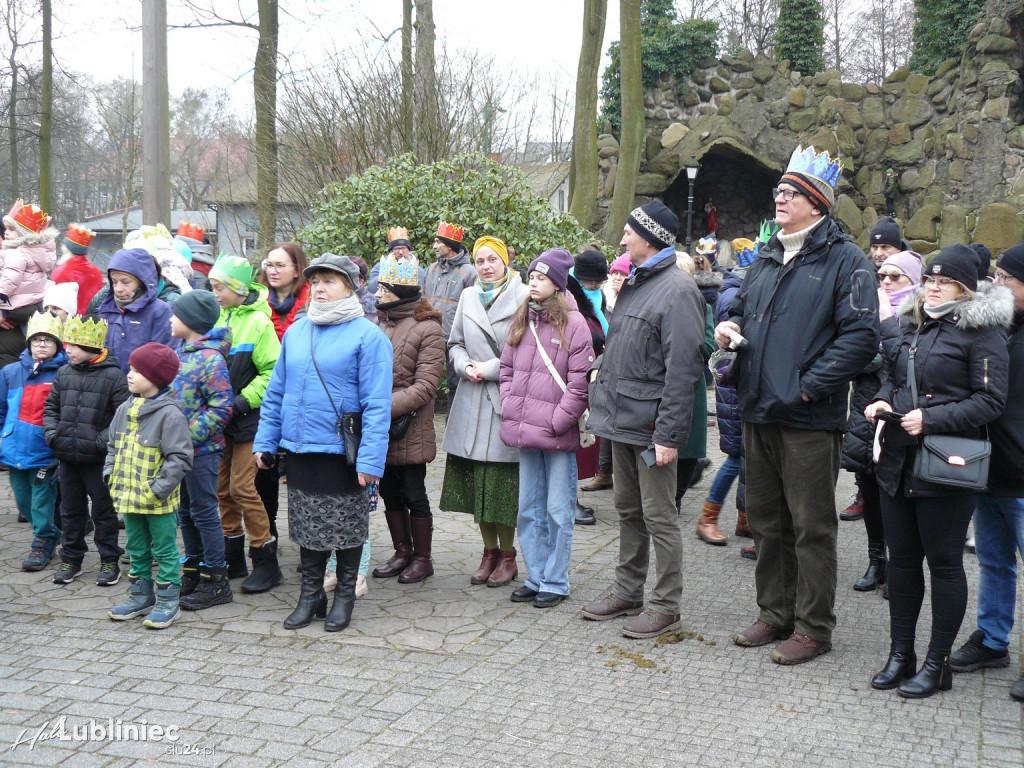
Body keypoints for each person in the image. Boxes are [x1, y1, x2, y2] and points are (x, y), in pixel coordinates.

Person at [716, 145, 879, 664]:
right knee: (765, 521)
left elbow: (860, 339)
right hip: (758, 408)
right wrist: (729, 326)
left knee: (811, 527)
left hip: (809, 417)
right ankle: (773, 614)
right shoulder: (766, 253)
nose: (779, 197)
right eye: (779, 190)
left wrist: (807, 387)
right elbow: (739, 306)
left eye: (789, 192)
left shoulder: (847, 261)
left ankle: (813, 628)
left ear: (817, 203)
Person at [866, 244, 1010, 698]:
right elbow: (893, 374)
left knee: (945, 565)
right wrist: (884, 399)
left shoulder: (982, 332)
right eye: (929, 279)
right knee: (903, 562)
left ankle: (937, 664)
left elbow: (990, 401)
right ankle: (900, 655)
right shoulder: (913, 323)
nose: (931, 287)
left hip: (946, 467)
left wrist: (932, 418)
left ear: (965, 291)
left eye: (943, 281)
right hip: (897, 459)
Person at [581, 200, 706, 640]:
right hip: (623, 421)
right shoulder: (637, 282)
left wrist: (670, 435)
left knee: (660, 516)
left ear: (650, 237)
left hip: (653, 428)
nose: (621, 239)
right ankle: (627, 591)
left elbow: (683, 370)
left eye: (629, 232)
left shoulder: (678, 291)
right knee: (628, 511)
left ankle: (666, 606)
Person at [254, 253, 392, 632]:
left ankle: (344, 595)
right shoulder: (298, 331)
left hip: (342, 453)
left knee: (347, 528)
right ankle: (311, 594)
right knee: (307, 526)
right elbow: (276, 391)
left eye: (329, 281)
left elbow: (378, 405)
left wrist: (371, 461)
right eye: (315, 281)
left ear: (351, 287)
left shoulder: (369, 336)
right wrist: (266, 441)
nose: (319, 288)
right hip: (299, 449)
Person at [949, 242, 1024, 702]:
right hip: (989, 469)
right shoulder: (996, 326)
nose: (996, 285)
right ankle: (993, 641)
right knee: (994, 562)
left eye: (1007, 279)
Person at [499, 249, 593, 607]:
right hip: (526, 431)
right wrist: (510, 404)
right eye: (532, 277)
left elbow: (580, 384)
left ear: (557, 282)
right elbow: (507, 369)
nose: (532, 283)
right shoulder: (522, 318)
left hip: (555, 435)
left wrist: (558, 421)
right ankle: (535, 576)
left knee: (557, 510)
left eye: (539, 278)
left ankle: (555, 580)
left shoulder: (576, 324)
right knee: (528, 509)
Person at [440, 236, 529, 587]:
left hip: (505, 397)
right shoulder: (467, 296)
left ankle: (508, 555)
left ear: (506, 261)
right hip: (471, 398)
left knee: (501, 486)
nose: (486, 266)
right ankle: (487, 551)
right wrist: (464, 366)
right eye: (480, 261)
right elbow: (455, 342)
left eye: (493, 259)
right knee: (478, 483)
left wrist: (489, 368)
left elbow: (526, 350)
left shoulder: (523, 296)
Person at [841, 251, 922, 592]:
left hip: (900, 421)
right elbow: (852, 358)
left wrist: (878, 342)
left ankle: (903, 566)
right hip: (864, 417)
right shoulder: (867, 313)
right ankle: (877, 562)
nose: (886, 282)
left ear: (913, 281)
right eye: (882, 276)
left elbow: (899, 362)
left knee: (902, 499)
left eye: (895, 277)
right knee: (870, 495)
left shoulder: (920, 317)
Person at [208, 253, 283, 594]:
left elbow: (272, 372)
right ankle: (232, 555)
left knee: (241, 487)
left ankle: (265, 558)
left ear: (239, 289)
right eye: (212, 287)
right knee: (221, 489)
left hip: (249, 418)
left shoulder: (259, 323)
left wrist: (241, 401)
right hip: (221, 418)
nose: (215, 293)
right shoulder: (217, 317)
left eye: (220, 287)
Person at [105, 343, 193, 629]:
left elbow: (179, 458)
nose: (129, 374)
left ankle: (168, 601)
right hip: (129, 497)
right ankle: (140, 596)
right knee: (136, 547)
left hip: (158, 500)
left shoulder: (170, 414)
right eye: (130, 368)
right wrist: (110, 474)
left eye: (137, 370)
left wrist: (157, 490)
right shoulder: (123, 409)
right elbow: (112, 446)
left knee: (165, 550)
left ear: (156, 378)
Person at [370, 254, 445, 584]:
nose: (376, 294)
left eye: (383, 289)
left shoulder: (428, 329)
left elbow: (426, 386)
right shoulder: (377, 325)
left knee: (414, 492)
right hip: (378, 430)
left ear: (400, 291)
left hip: (409, 428)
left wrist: (377, 407)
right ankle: (402, 551)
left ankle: (422, 558)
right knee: (389, 491)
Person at [44, 315, 128, 586]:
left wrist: (99, 443)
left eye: (75, 345)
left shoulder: (114, 376)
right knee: (70, 511)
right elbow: (51, 408)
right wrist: (53, 435)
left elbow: (121, 417)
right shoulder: (64, 372)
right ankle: (72, 558)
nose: (67, 350)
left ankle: (109, 559)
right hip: (67, 456)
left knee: (103, 512)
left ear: (91, 348)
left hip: (98, 460)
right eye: (67, 344)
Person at [170, 290, 235, 611]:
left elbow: (222, 408)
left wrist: (187, 436)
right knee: (185, 512)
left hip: (203, 452)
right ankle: (193, 570)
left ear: (192, 322)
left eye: (175, 314)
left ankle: (217, 580)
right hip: (179, 452)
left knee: (205, 513)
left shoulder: (211, 359)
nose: (170, 318)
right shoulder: (181, 352)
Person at [2, 311, 67, 571]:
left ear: (57, 346)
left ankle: (41, 541)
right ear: (28, 342)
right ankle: (50, 533)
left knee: (41, 501)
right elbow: (1, 409)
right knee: (24, 503)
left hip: (45, 451)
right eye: (37, 339)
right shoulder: (10, 372)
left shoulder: (64, 373)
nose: (42, 344)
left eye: (48, 340)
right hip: (14, 448)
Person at [256, 241, 311, 539]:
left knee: (299, 471)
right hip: (265, 395)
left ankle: (307, 536)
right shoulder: (256, 301)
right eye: (270, 265)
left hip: (300, 395)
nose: (273, 271)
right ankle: (269, 530)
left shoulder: (312, 301)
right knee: (264, 468)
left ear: (297, 270)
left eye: (280, 265)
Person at [584, 254, 632, 494]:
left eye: (623, 274)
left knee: (610, 420)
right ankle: (603, 472)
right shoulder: (603, 298)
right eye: (615, 273)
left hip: (614, 364)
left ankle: (608, 473)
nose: (617, 278)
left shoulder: (628, 299)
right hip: (599, 364)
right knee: (600, 421)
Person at [568, 249, 609, 525]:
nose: (597, 285)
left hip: (591, 376)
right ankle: (568, 502)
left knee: (583, 443)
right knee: (571, 445)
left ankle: (571, 500)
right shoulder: (569, 295)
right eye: (592, 281)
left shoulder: (596, 296)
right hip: (573, 379)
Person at [423, 221, 478, 402]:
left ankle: (453, 427)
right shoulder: (431, 269)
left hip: (456, 340)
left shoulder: (470, 272)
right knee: (425, 382)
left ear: (450, 244)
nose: (435, 246)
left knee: (456, 384)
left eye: (438, 242)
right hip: (430, 336)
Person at [96, 248, 174, 374]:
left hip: (143, 388)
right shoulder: (106, 311)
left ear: (143, 282)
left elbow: (164, 359)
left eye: (126, 282)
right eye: (114, 282)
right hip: (108, 388)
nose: (118, 289)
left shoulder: (160, 312)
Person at [0, 201, 58, 367]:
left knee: (31, 340)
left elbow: (9, 281)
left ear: (24, 235)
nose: (7, 234)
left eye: (11, 230)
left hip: (16, 305)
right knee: (33, 336)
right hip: (30, 304)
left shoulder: (17, 254)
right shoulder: (35, 253)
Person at [51, 224, 104, 316]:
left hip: (68, 322)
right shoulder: (96, 272)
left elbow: (53, 302)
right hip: (91, 321)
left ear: (67, 249)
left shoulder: (60, 272)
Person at [368, 227, 426, 294]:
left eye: (403, 248)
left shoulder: (419, 271)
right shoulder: (379, 267)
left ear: (408, 250)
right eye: (397, 249)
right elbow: (371, 288)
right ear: (391, 251)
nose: (401, 252)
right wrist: (388, 269)